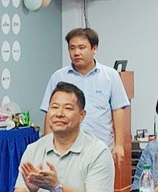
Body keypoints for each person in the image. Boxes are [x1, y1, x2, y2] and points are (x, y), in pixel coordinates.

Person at [12, 82, 114, 192]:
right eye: (54, 107)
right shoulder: (34, 149)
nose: (59, 114)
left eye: (68, 108)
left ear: (82, 115)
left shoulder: (98, 151)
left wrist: (57, 188)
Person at [39, 28, 130, 166]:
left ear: (94, 48)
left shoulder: (110, 76)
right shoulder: (58, 77)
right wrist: (48, 144)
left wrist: (119, 145)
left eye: (81, 48)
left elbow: (118, 110)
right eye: (72, 48)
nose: (76, 53)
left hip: (101, 148)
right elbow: (49, 112)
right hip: (65, 149)